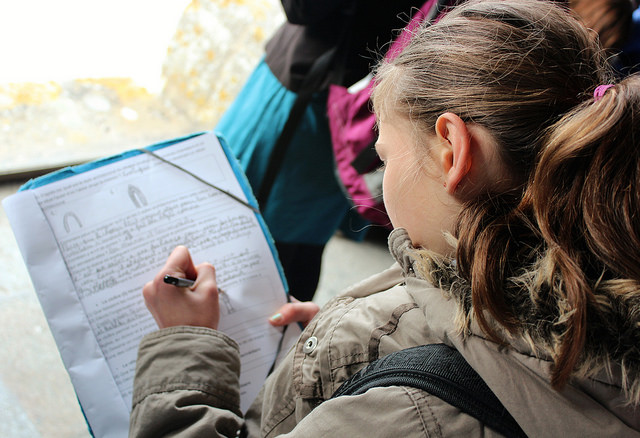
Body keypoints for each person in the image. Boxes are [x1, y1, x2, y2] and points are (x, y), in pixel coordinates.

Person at [130, 0, 640, 436]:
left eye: (384, 154)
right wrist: (367, 337)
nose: (378, 179)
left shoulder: (404, 416)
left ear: (452, 151)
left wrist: (184, 355)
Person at [214, 1, 425, 302]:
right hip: (355, 100)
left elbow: (303, 8)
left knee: (245, 230)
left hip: (313, 96)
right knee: (294, 247)